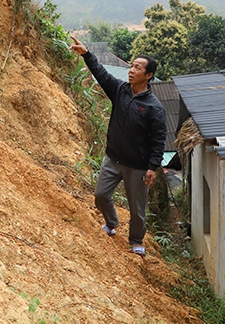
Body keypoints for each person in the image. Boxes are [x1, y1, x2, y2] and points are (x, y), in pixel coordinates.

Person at [69, 35, 167, 256]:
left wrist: (153, 167)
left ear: (148, 75)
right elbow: (101, 74)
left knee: (137, 209)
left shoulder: (154, 107)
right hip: (113, 158)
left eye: (137, 68)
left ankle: (136, 242)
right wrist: (86, 54)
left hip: (138, 166)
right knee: (101, 194)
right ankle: (112, 223)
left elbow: (158, 139)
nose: (131, 70)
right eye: (131, 66)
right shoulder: (120, 90)